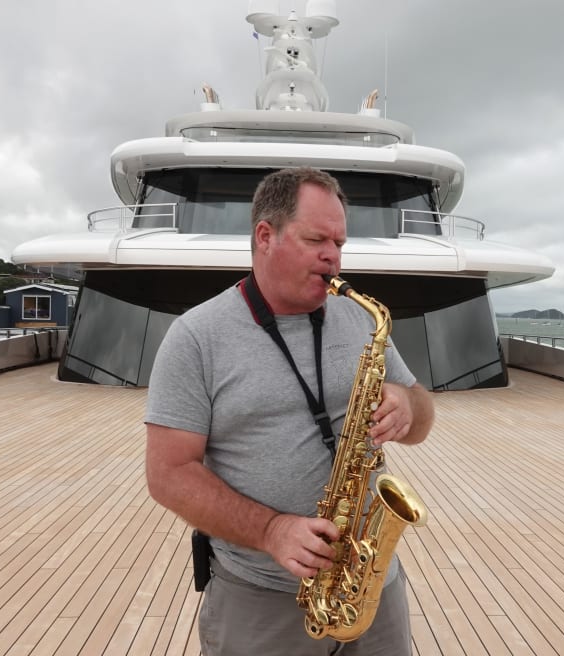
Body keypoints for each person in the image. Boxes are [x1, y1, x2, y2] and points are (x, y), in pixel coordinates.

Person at [144, 167, 434, 655]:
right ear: (265, 236)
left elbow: (423, 415)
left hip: (371, 589)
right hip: (261, 601)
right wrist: (271, 530)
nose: (333, 257)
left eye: (340, 242)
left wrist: (408, 405)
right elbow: (167, 474)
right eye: (317, 239)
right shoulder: (197, 337)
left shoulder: (362, 319)